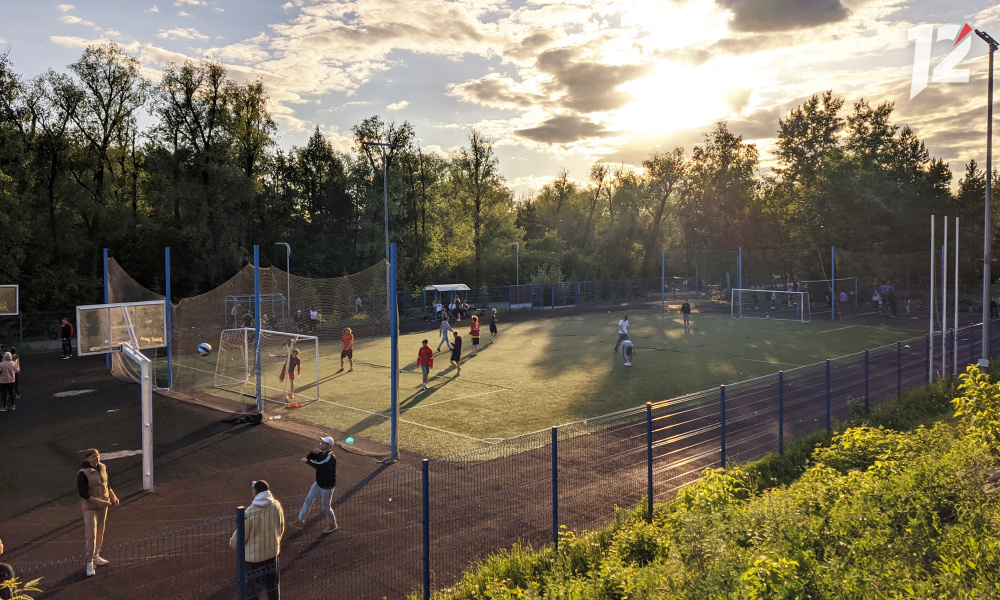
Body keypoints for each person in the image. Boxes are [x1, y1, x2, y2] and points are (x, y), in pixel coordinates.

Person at [230, 480, 284, 600]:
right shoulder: (276, 506)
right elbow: (281, 528)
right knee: (273, 586)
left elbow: (238, 539)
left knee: (252, 591)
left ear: (256, 492)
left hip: (253, 559)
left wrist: (232, 543)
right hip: (271, 554)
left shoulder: (250, 512)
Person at [77, 448, 119, 577]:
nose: (96, 459)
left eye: (98, 456)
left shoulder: (103, 467)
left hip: (104, 505)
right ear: (87, 459)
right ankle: (89, 562)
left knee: (100, 532)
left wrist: (113, 497)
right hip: (91, 508)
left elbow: (107, 484)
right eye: (93, 457)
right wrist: (101, 502)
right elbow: (84, 494)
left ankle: (96, 555)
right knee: (91, 534)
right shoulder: (83, 473)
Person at [293, 437, 338, 534]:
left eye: (324, 442)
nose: (321, 443)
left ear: (328, 446)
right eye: (321, 441)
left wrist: (307, 461)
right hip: (318, 483)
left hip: (327, 486)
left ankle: (332, 524)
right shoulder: (321, 454)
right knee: (308, 500)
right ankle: (300, 521)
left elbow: (319, 465)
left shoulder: (330, 458)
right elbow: (310, 458)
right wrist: (313, 453)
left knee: (326, 506)